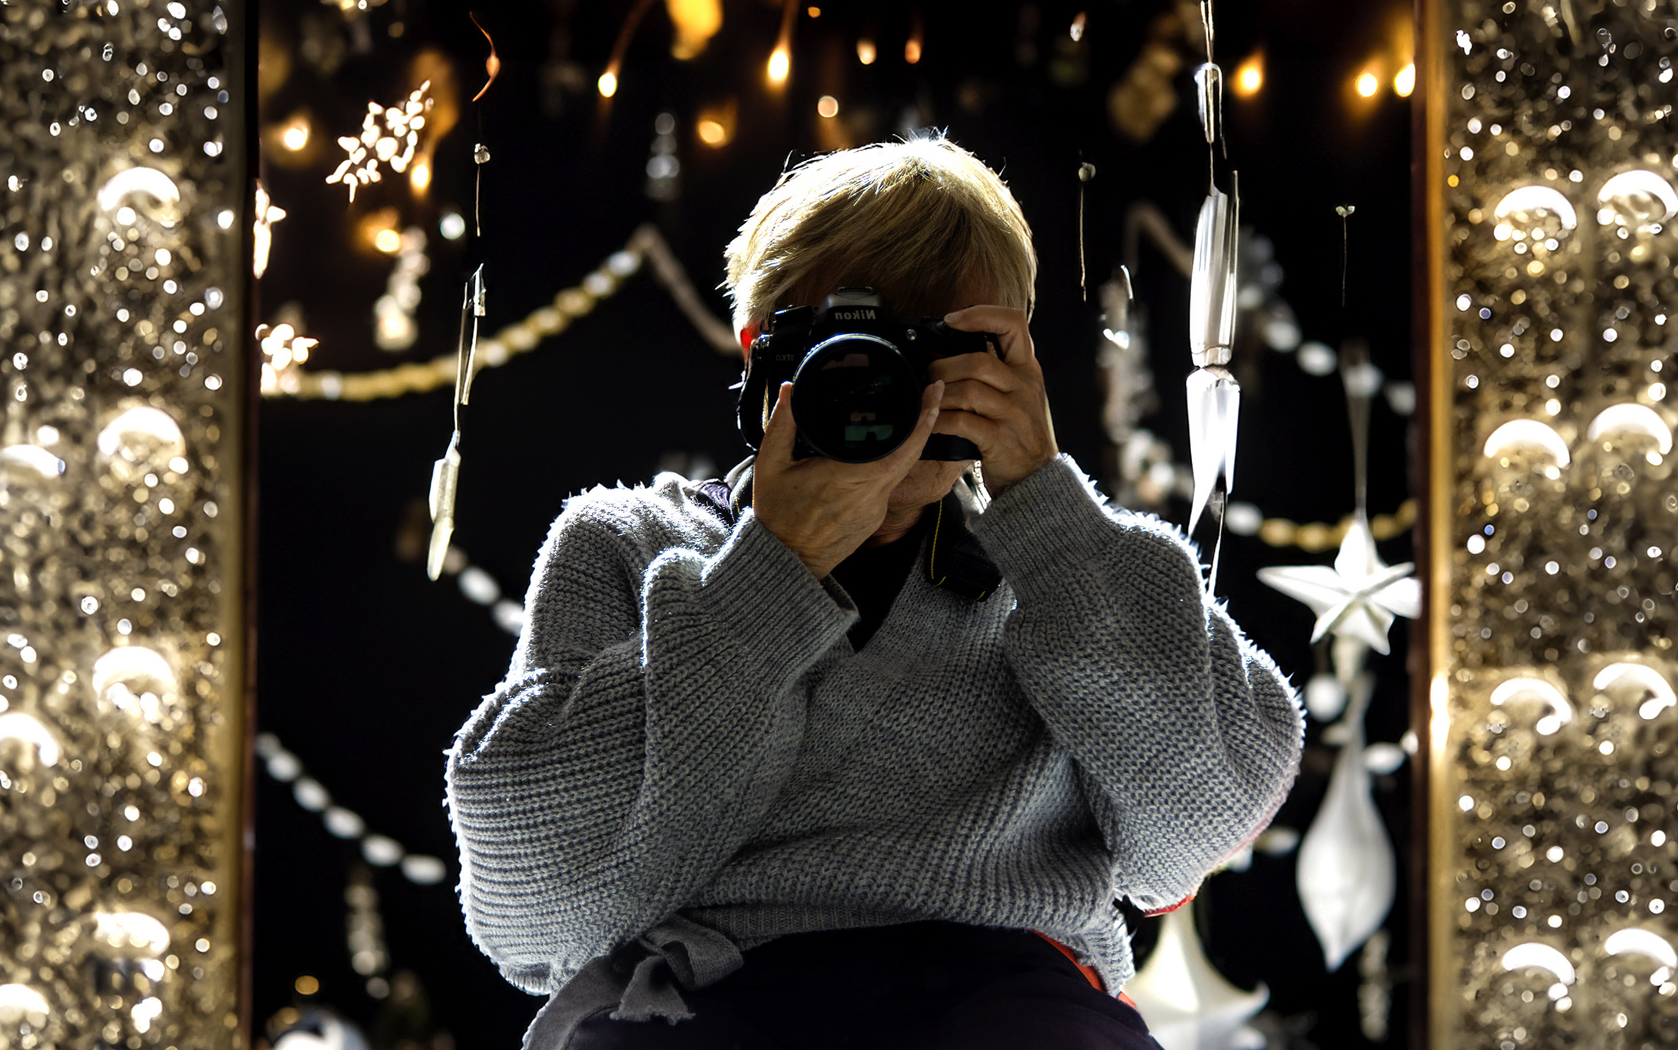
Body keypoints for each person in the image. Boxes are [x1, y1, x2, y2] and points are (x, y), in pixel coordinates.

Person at [445, 136, 1304, 1050]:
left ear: (1008, 358)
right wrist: (770, 572)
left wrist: (1044, 503)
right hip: (709, 999)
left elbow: (1203, 821)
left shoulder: (1059, 568)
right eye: (849, 349)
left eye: (936, 352)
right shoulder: (628, 543)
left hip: (1011, 1001)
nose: (889, 392)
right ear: (759, 353)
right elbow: (527, 907)